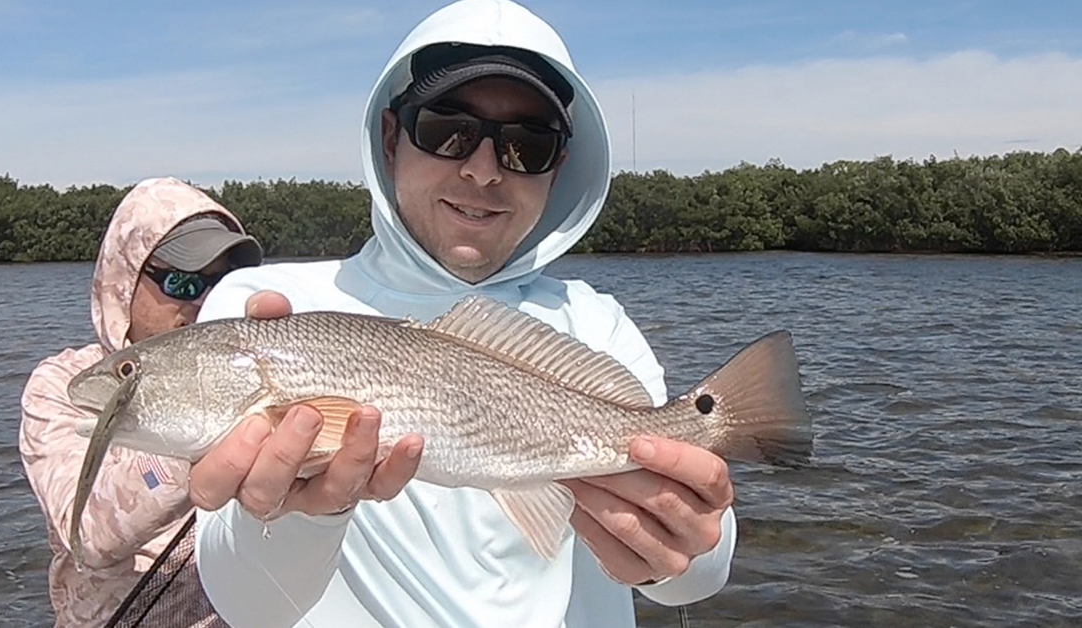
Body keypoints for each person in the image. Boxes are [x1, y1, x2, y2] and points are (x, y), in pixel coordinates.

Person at [188, 1, 738, 626]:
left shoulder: (598, 323)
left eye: (526, 146)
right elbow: (250, 608)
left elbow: (691, 581)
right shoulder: (264, 315)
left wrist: (687, 549)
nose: (482, 170)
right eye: (448, 131)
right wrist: (301, 512)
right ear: (392, 138)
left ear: (557, 169)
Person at [19, 177, 264, 628]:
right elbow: (88, 531)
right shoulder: (63, 385)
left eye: (223, 282)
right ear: (125, 278)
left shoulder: (254, 368)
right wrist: (207, 433)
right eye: (182, 283)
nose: (205, 303)